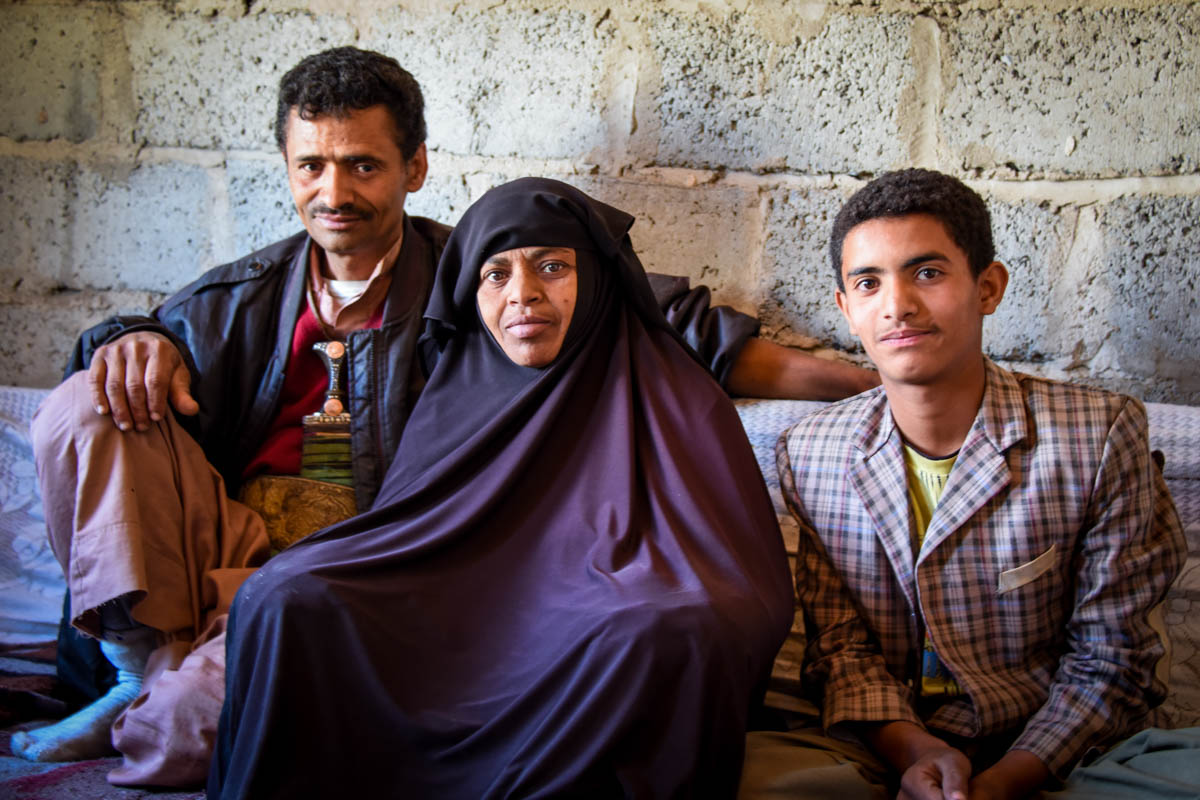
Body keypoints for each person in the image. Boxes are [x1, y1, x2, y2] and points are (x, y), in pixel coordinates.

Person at [14, 47, 875, 785]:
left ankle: (165, 694)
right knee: (90, 398)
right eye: (311, 166)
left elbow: (653, 314)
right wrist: (127, 338)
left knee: (183, 739)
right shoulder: (237, 299)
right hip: (230, 551)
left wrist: (883, 377)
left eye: (362, 165)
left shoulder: (473, 274)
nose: (333, 191)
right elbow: (131, 367)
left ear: (414, 168)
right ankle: (134, 668)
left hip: (375, 564)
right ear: (286, 167)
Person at [208, 177, 795, 798]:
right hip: (457, 606)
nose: (523, 294)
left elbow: (743, 590)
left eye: (552, 267)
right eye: (496, 274)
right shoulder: (457, 390)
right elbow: (409, 533)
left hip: (594, 620)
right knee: (281, 596)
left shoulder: (675, 396)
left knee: (660, 633)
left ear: (598, 278)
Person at [740, 168, 1188, 799]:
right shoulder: (812, 453)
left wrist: (1004, 781)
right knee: (738, 775)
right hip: (887, 747)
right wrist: (918, 753)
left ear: (987, 287)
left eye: (927, 273)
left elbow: (1113, 660)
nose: (897, 304)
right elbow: (839, 651)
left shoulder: (1097, 435)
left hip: (1053, 752)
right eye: (868, 283)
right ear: (846, 309)